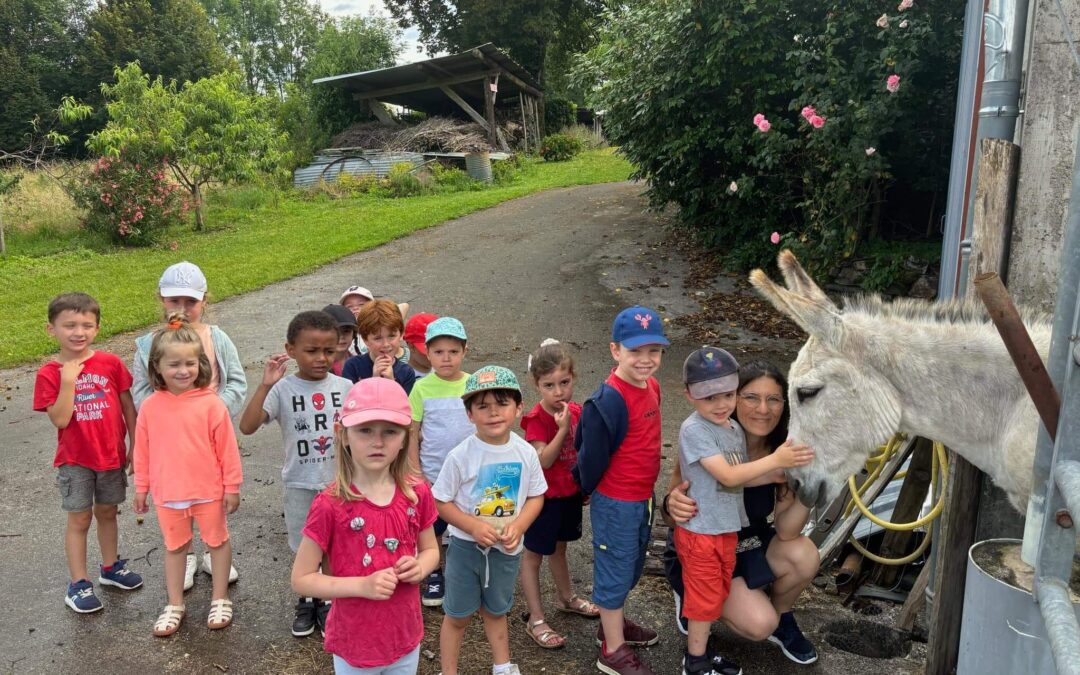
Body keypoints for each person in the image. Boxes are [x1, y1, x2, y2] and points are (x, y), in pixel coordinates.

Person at [662, 361, 821, 666]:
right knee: (759, 624)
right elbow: (672, 513)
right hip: (702, 546)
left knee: (804, 554)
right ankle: (690, 600)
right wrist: (670, 503)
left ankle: (782, 616)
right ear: (736, 398)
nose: (763, 409)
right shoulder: (706, 435)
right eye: (751, 397)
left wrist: (808, 493)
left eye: (773, 399)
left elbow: (787, 531)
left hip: (746, 544)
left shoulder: (785, 448)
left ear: (784, 404)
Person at [292, 377, 440, 674]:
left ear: (405, 437)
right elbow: (302, 579)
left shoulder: (417, 493)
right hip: (355, 643)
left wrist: (421, 567)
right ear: (343, 434)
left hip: (405, 637)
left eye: (390, 431)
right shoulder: (329, 504)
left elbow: (431, 550)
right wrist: (362, 585)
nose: (378, 441)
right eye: (365, 430)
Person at [239, 310, 353, 638]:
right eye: (311, 350)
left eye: (329, 351)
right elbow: (247, 427)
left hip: (339, 484)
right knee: (305, 545)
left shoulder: (346, 387)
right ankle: (307, 599)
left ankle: (329, 599)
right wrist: (265, 384)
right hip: (300, 483)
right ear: (290, 350)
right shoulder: (282, 389)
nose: (321, 358)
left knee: (334, 545)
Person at [132, 261, 245, 589]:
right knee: (175, 498)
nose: (183, 308)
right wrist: (169, 414)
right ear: (161, 300)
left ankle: (214, 549)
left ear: (204, 301)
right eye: (174, 301)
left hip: (208, 433)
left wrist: (211, 411)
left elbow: (235, 381)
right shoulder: (147, 344)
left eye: (191, 302)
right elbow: (140, 389)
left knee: (211, 494)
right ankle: (186, 553)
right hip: (169, 439)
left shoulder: (217, 338)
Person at [431, 366, 548, 675]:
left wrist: (520, 526)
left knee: (497, 610)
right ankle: (448, 670)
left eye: (502, 404)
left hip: (507, 551)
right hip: (465, 549)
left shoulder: (525, 453)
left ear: (519, 408)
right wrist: (471, 526)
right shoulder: (461, 455)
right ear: (470, 414)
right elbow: (440, 500)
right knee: (457, 615)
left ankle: (503, 665)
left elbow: (537, 496)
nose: (493, 413)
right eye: (483, 406)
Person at [34, 293, 143, 613]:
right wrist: (68, 381)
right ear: (51, 329)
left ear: (96, 328)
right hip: (75, 460)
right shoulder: (49, 374)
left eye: (86, 325)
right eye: (69, 325)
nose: (78, 332)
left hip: (110, 454)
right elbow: (60, 419)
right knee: (79, 518)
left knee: (108, 512)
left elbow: (128, 406)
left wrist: (136, 445)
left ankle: (110, 568)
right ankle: (78, 583)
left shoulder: (110, 363)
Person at [575, 305, 669, 675]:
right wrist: (585, 487)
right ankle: (611, 649)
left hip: (642, 497)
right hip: (616, 502)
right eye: (635, 351)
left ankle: (611, 623)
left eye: (654, 351)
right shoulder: (608, 399)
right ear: (615, 351)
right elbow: (590, 455)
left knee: (630, 566)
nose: (645, 360)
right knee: (615, 568)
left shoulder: (654, 386)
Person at [519, 339, 598, 650]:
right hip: (543, 499)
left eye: (564, 383)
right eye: (549, 385)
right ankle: (536, 617)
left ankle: (566, 597)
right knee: (533, 555)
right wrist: (562, 429)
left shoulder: (577, 411)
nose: (558, 392)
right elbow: (544, 460)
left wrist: (585, 484)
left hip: (568, 494)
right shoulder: (537, 419)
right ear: (537, 385)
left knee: (560, 550)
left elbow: (583, 452)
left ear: (573, 379)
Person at [406, 316, 475, 607]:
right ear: (427, 353)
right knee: (431, 527)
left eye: (453, 351)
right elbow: (412, 430)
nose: (446, 358)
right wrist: (414, 469)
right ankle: (434, 573)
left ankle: (467, 574)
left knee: (466, 524)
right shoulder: (421, 388)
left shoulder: (473, 384)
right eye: (438, 352)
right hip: (432, 474)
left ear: (464, 352)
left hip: (468, 474)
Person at [342, 300, 416, 394]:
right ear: (365, 340)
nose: (386, 344)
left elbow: (405, 407)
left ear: (401, 334)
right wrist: (375, 381)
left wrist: (391, 383)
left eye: (392, 336)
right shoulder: (353, 366)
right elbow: (350, 403)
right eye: (378, 338)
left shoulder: (407, 372)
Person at [323, 304, 358, 377]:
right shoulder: (317, 367)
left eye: (346, 331)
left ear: (354, 335)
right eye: (335, 332)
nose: (341, 337)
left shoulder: (359, 363)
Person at [403, 312, 438, 379]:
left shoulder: (442, 369)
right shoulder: (403, 378)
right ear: (412, 347)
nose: (435, 356)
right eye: (428, 351)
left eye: (439, 351)